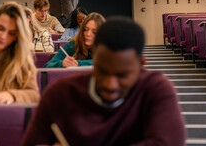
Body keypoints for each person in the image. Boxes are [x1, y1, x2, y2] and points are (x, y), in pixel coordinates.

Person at [21, 17, 186, 146]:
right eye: (102, 70)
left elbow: (169, 142)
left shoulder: (156, 89)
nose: (110, 84)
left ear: (141, 64)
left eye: (122, 75)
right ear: (94, 58)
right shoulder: (60, 93)